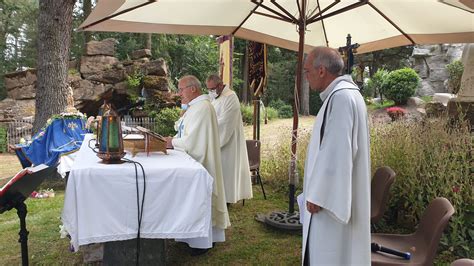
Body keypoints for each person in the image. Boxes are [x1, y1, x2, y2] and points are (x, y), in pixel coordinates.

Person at [299, 47, 370, 265]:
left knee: (328, 252)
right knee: (342, 252)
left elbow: (338, 150)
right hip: (339, 192)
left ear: (321, 71)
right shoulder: (348, 95)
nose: (306, 75)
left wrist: (318, 194)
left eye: (307, 70)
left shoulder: (340, 98)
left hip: (329, 202)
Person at [166, 75, 230, 255]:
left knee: (201, 200)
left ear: (193, 89)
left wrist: (172, 142)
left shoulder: (202, 107)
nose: (179, 94)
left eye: (181, 89)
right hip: (194, 160)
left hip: (202, 162)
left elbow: (193, 141)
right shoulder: (196, 107)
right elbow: (183, 130)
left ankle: (202, 242)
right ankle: (190, 237)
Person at [206, 74, 252, 204]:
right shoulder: (215, 97)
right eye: (208, 89)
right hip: (216, 138)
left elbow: (226, 122)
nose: (211, 92)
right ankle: (217, 199)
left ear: (220, 85)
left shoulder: (231, 97)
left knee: (227, 171)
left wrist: (209, 126)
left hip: (228, 141)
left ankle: (226, 200)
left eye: (213, 89)